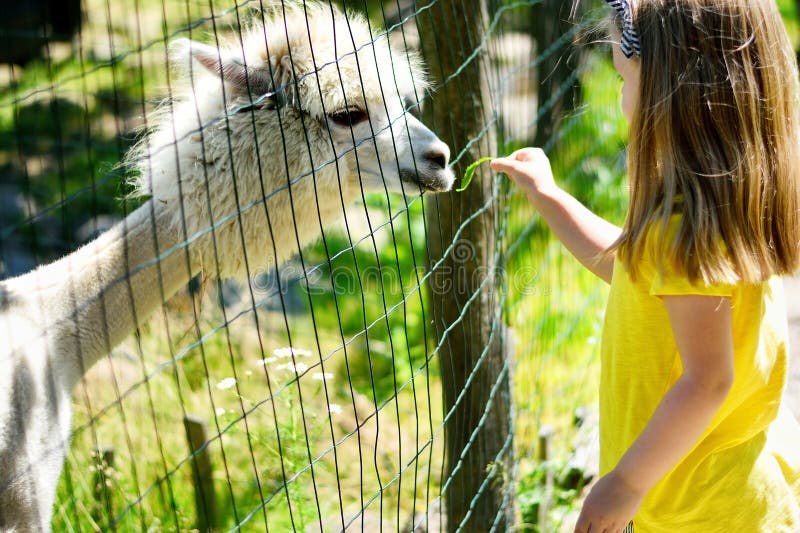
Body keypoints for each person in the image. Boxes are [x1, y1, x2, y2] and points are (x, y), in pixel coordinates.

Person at [491, 0, 800, 531]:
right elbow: (633, 273)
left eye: (622, 78)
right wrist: (550, 197)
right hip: (715, 490)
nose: (618, 95)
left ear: (670, 95)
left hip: (698, 511)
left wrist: (625, 484)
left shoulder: (685, 230)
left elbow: (707, 381)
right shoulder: (712, 214)